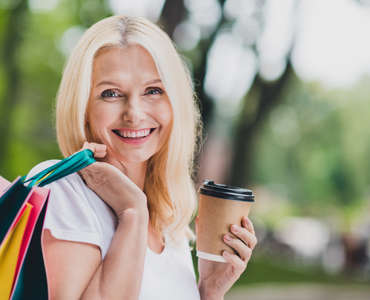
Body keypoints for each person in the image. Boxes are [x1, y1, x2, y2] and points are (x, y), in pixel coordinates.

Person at [27, 15, 257, 300]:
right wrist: (132, 213)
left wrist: (209, 291)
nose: (134, 113)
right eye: (111, 93)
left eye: (153, 91)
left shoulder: (170, 224)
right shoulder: (62, 190)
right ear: (82, 106)